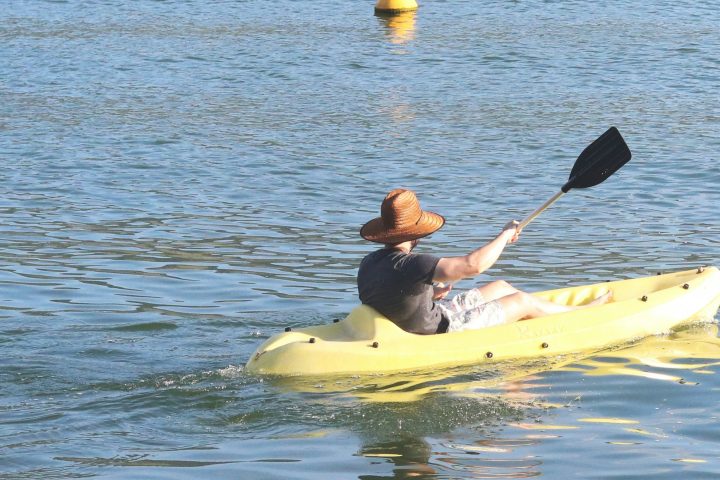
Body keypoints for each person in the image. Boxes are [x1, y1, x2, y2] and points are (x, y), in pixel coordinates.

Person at [357, 188, 611, 334]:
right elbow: (473, 266)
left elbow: (391, 294)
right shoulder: (414, 264)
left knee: (500, 286)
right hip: (445, 329)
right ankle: (582, 314)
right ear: (417, 234)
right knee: (522, 301)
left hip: (430, 314)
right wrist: (505, 235)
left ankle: (544, 312)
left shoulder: (370, 261)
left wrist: (432, 292)